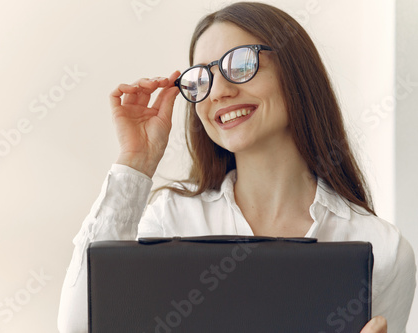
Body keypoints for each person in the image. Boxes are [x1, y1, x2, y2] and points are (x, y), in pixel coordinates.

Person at [57, 2, 416, 332]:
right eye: (202, 78)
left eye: (241, 64)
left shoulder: (382, 249)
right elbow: (79, 327)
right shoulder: (171, 220)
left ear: (295, 72)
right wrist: (136, 162)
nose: (218, 92)